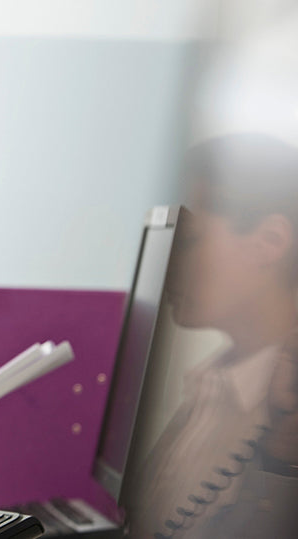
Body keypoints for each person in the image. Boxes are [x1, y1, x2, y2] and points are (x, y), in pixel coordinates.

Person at [124, 133, 298, 538]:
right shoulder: (213, 383)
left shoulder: (280, 412)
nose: (166, 266)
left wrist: (281, 460)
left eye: (186, 241)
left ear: (269, 242)